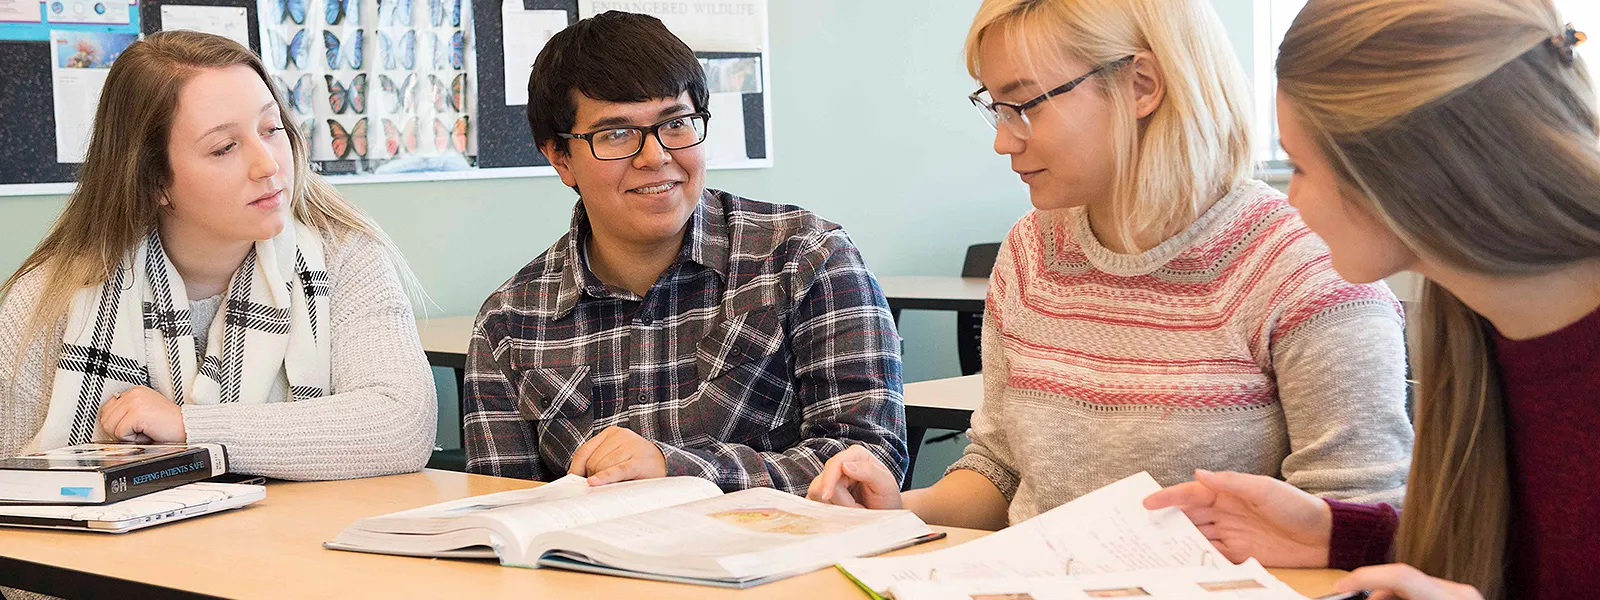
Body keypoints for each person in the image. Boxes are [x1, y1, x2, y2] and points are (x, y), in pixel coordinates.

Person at [806, 0, 1414, 531]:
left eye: (1025, 105)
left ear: (1142, 85)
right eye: (997, 108)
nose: (1003, 140)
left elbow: (1354, 522)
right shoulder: (1031, 253)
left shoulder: (1308, 272)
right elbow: (1001, 468)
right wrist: (900, 510)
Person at [1144, 1, 1600, 599]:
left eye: (1301, 167)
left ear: (1411, 168)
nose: (1292, 202)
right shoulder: (1476, 321)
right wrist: (1339, 536)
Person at [462, 11, 907, 494]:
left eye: (675, 123)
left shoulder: (806, 259)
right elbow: (504, 510)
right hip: (589, 567)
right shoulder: (509, 319)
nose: (655, 156)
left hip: (776, 560)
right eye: (615, 134)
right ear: (560, 158)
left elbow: (866, 463)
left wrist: (678, 472)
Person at [0, 30, 436, 481]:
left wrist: (189, 428)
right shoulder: (48, 300)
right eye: (224, 147)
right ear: (155, 181)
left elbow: (402, 425)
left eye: (272, 129)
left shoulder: (344, 258)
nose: (267, 164)